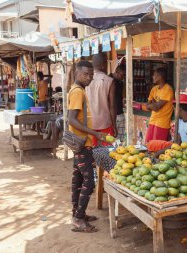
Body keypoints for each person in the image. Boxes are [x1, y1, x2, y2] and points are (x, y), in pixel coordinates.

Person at [68, 60, 106, 233]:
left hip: (81, 142)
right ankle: (78, 218)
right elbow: (72, 120)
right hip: (82, 143)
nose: (89, 77)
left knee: (78, 179)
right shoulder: (77, 92)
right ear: (77, 73)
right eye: (86, 74)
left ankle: (78, 214)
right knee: (89, 182)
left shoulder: (79, 90)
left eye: (91, 75)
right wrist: (95, 133)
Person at [85, 53, 117, 146]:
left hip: (88, 122)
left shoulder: (84, 79)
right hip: (104, 122)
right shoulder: (109, 81)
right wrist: (114, 125)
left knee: (90, 150)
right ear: (103, 65)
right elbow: (112, 106)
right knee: (107, 152)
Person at [146, 68, 174, 142]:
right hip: (152, 120)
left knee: (157, 146)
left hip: (162, 123)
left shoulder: (168, 89)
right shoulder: (154, 89)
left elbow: (156, 107)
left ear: (160, 77)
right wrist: (152, 105)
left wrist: (153, 104)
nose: (152, 77)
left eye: (154, 75)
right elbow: (148, 107)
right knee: (148, 144)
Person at [110, 65, 126, 142]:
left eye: (124, 75)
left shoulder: (121, 83)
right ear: (116, 72)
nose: (123, 77)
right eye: (122, 75)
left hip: (120, 113)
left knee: (120, 140)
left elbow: (120, 97)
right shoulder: (109, 81)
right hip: (111, 115)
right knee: (112, 140)